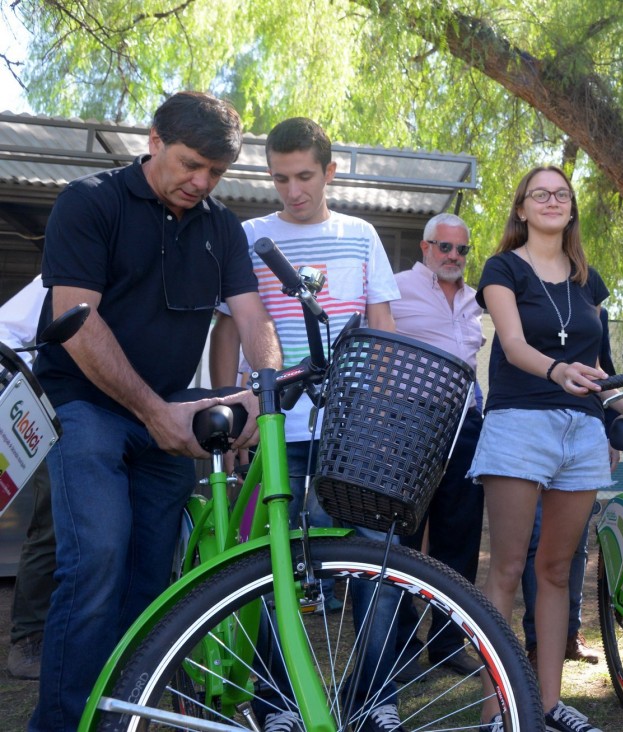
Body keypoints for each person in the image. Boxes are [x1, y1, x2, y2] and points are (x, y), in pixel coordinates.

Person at [30, 91, 282, 732]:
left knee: (152, 588)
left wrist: (266, 389)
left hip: (167, 420)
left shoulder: (222, 226)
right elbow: (77, 325)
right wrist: (154, 412)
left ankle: (121, 722)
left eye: (216, 173)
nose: (201, 182)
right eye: (191, 164)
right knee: (97, 564)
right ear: (153, 141)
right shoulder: (90, 202)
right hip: (83, 406)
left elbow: (252, 315)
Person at [207, 116, 405, 732]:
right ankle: (277, 706)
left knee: (375, 567)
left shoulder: (362, 235)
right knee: (269, 574)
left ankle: (375, 701)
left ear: (330, 172)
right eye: (278, 178)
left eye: (303, 176)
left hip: (349, 434)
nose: (291, 191)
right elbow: (227, 329)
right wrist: (227, 413)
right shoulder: (246, 236)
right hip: (271, 432)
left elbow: (381, 331)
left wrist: (376, 416)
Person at [467, 165, 623, 732]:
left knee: (556, 570)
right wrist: (556, 371)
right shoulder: (502, 268)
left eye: (562, 194)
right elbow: (511, 343)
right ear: (522, 209)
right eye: (540, 194)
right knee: (506, 568)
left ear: (571, 208)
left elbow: (599, 366)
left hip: (582, 430)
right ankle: (496, 711)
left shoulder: (588, 279)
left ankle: (549, 706)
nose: (552, 201)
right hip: (519, 424)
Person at [388, 212, 487, 679]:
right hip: (409, 424)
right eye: (444, 247)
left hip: (464, 426)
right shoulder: (394, 287)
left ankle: (448, 645)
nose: (453, 256)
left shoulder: (473, 299)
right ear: (425, 248)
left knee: (460, 537)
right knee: (404, 534)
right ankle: (402, 646)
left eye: (461, 249)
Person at [520, 307, 618, 668]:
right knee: (534, 544)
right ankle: (537, 642)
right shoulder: (524, 295)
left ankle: (567, 636)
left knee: (575, 548)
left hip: (583, 435)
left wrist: (609, 429)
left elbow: (600, 376)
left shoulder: (596, 310)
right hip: (531, 432)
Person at [1, 277, 53, 681]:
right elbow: (6, 328)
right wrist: (29, 385)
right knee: (53, 520)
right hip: (60, 410)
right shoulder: (75, 260)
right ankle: (27, 639)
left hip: (137, 410)